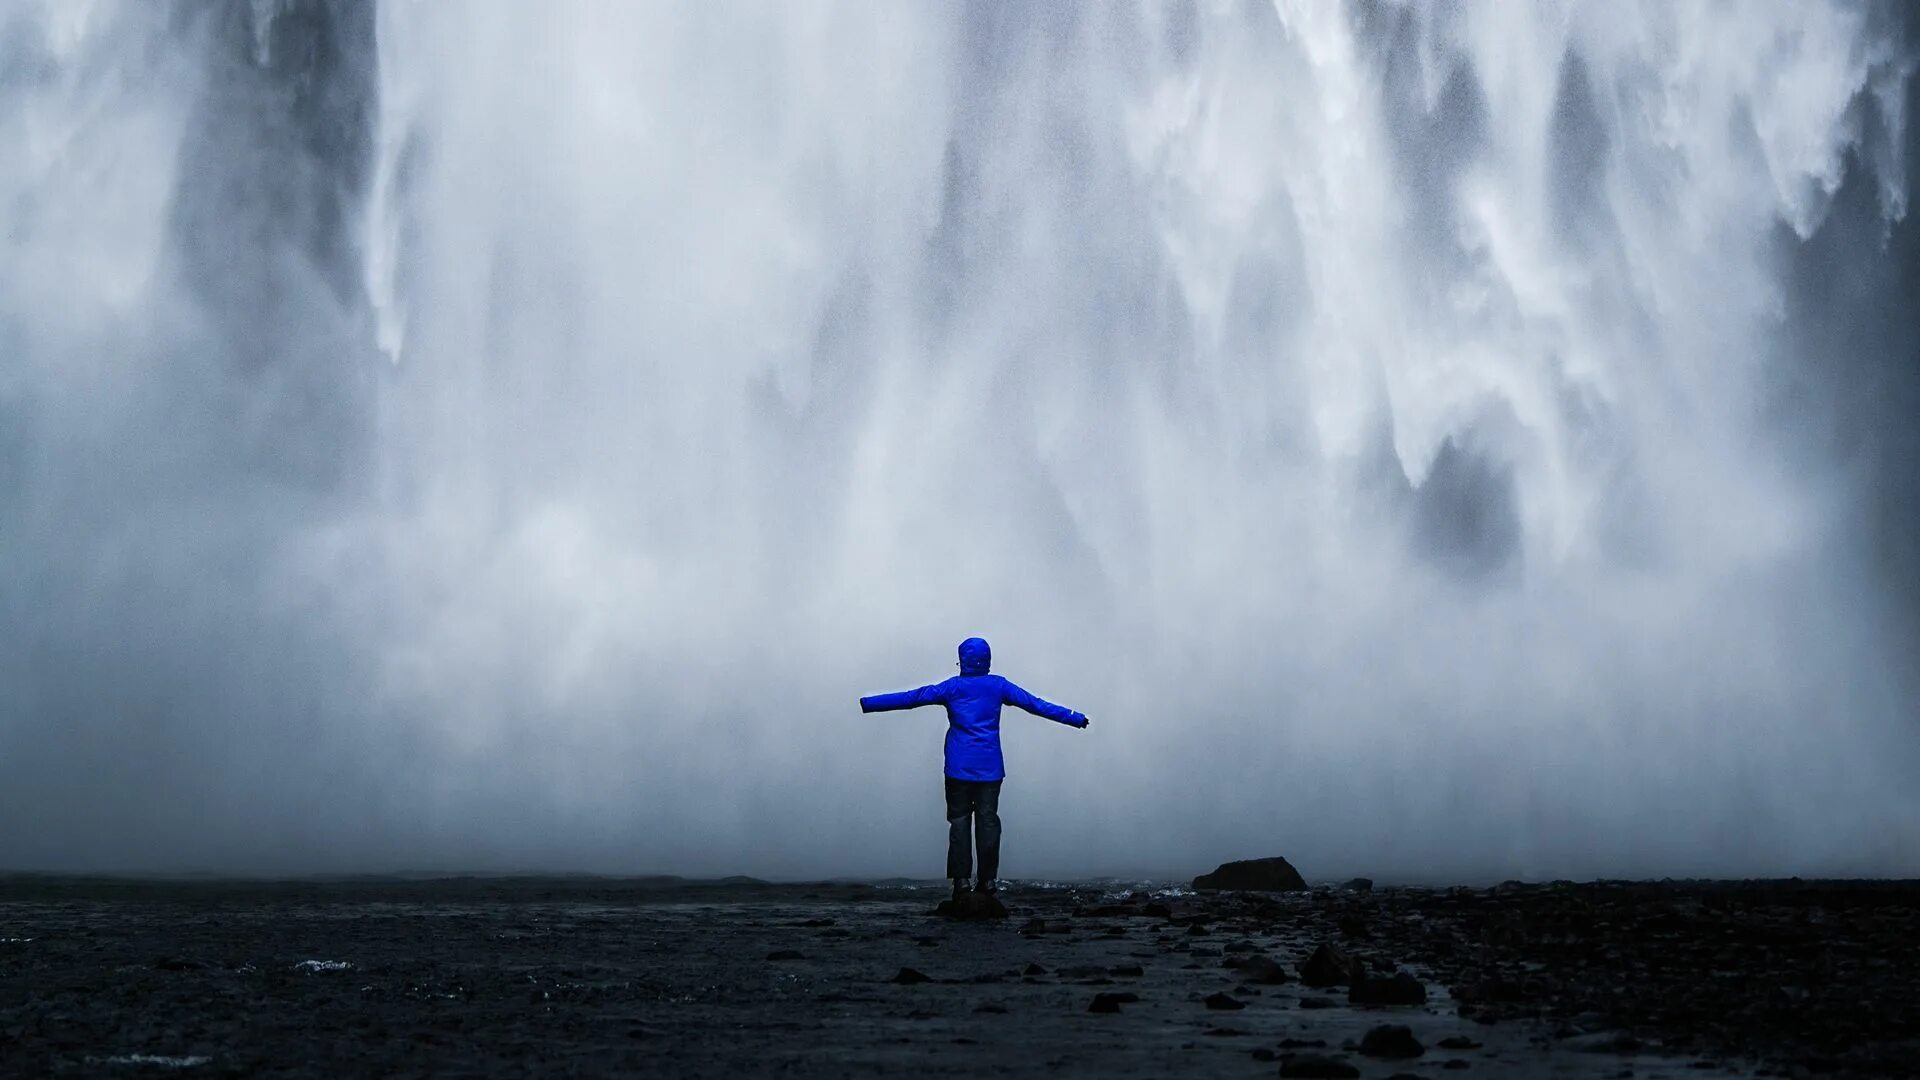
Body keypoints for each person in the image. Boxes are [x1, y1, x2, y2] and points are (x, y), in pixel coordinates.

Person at [860, 637, 1090, 900]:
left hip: (958, 767)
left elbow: (912, 698)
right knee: (988, 822)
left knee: (959, 822)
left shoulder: (952, 688)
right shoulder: (998, 686)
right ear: (987, 660)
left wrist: (869, 703)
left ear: (963, 660)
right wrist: (1074, 718)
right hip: (990, 768)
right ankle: (988, 881)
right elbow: (1036, 704)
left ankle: (961, 882)